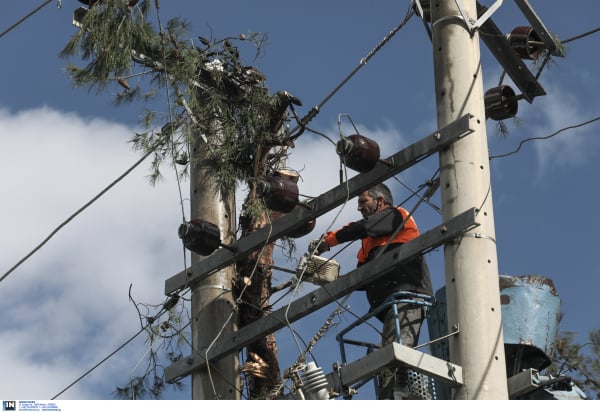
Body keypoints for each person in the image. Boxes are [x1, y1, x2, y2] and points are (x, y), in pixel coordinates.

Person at [308, 182, 433, 400]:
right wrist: (334, 279)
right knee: (389, 352)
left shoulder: (396, 215)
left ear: (380, 201)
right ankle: (393, 395)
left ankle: (398, 396)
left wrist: (328, 241)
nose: (359, 208)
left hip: (408, 297)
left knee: (394, 351)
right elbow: (363, 279)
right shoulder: (370, 244)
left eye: (363, 201)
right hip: (390, 306)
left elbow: (362, 227)